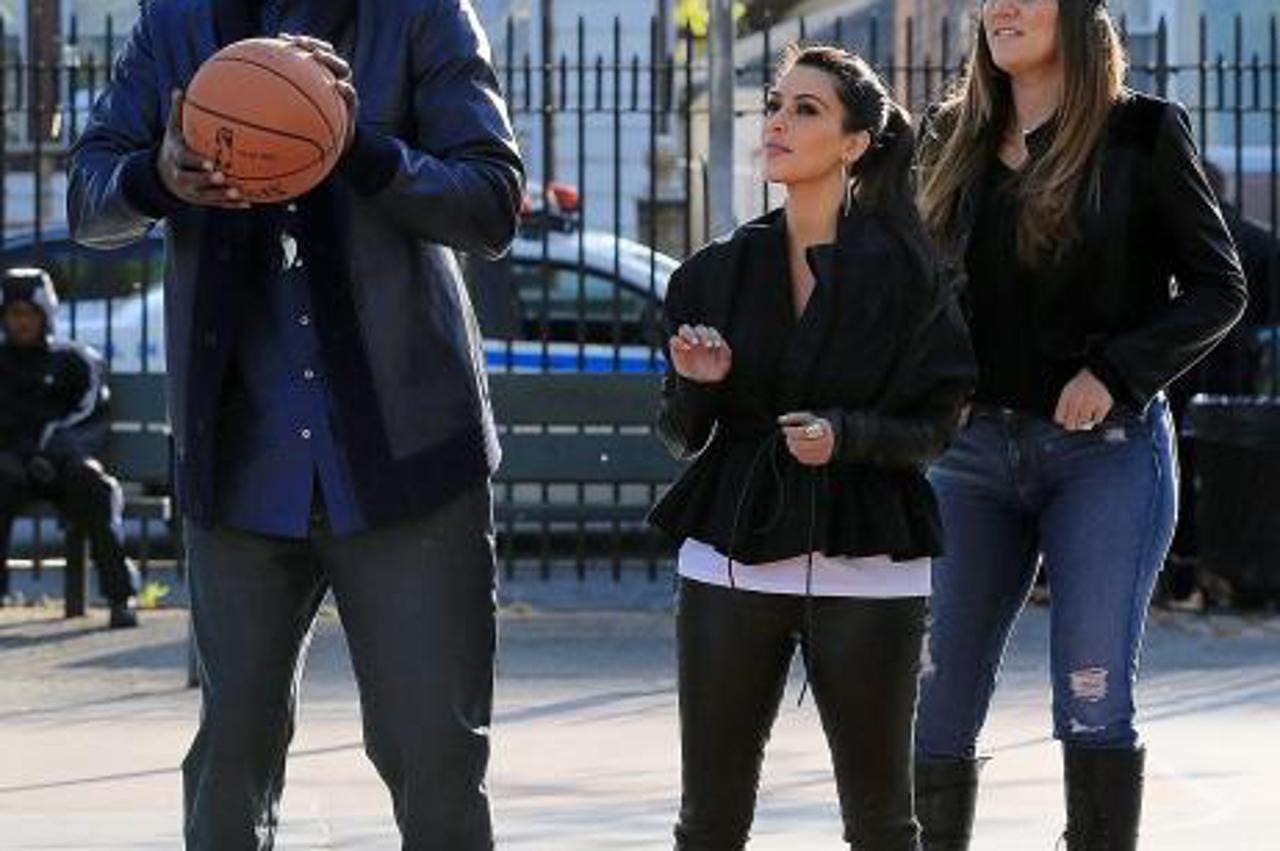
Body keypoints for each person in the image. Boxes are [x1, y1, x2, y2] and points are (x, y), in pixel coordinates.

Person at [68, 1, 523, 848]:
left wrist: (358, 150)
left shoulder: (420, 14)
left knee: (436, 767)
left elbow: (493, 202)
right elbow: (88, 194)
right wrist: (158, 176)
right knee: (228, 780)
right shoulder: (177, 22)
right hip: (239, 459)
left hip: (408, 458)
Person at [912, 1, 1247, 849]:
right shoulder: (948, 136)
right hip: (971, 457)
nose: (1001, 8)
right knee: (936, 703)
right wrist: (937, 382)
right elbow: (915, 293)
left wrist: (1117, 372)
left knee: (1093, 697)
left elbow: (1220, 288)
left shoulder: (1140, 134)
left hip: (1106, 456)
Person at [649, 44, 976, 851]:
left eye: (806, 109)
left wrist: (848, 436)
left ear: (856, 141)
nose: (778, 123)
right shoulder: (709, 274)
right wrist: (701, 382)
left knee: (882, 822)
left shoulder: (912, 273)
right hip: (731, 549)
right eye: (774, 104)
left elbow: (938, 423)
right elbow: (681, 433)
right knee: (709, 819)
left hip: (870, 552)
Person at [1163, 161, 1279, 606]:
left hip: (1169, 375)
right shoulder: (1257, 238)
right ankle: (1223, 573)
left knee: (1176, 474)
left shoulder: (1168, 234)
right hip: (1235, 378)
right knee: (1230, 480)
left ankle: (1181, 572)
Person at [0, 267, 140, 626]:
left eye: (28, 313)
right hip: (10, 466)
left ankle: (121, 597)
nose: (21, 323)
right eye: (13, 314)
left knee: (98, 489)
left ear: (45, 313)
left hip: (62, 464)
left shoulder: (75, 361)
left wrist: (51, 451)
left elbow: (90, 414)